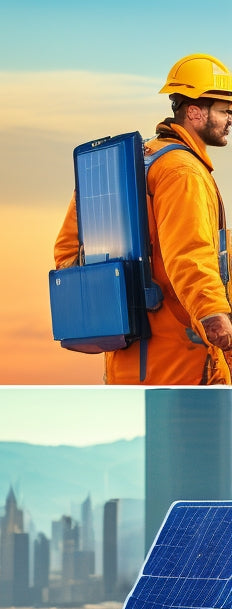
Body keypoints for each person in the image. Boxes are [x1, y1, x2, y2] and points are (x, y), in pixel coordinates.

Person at [54, 54, 232, 385]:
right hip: (182, 361)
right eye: (225, 110)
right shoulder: (182, 171)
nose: (230, 118)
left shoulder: (124, 164)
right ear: (194, 111)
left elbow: (66, 252)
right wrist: (214, 317)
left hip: (125, 361)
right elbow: (190, 254)